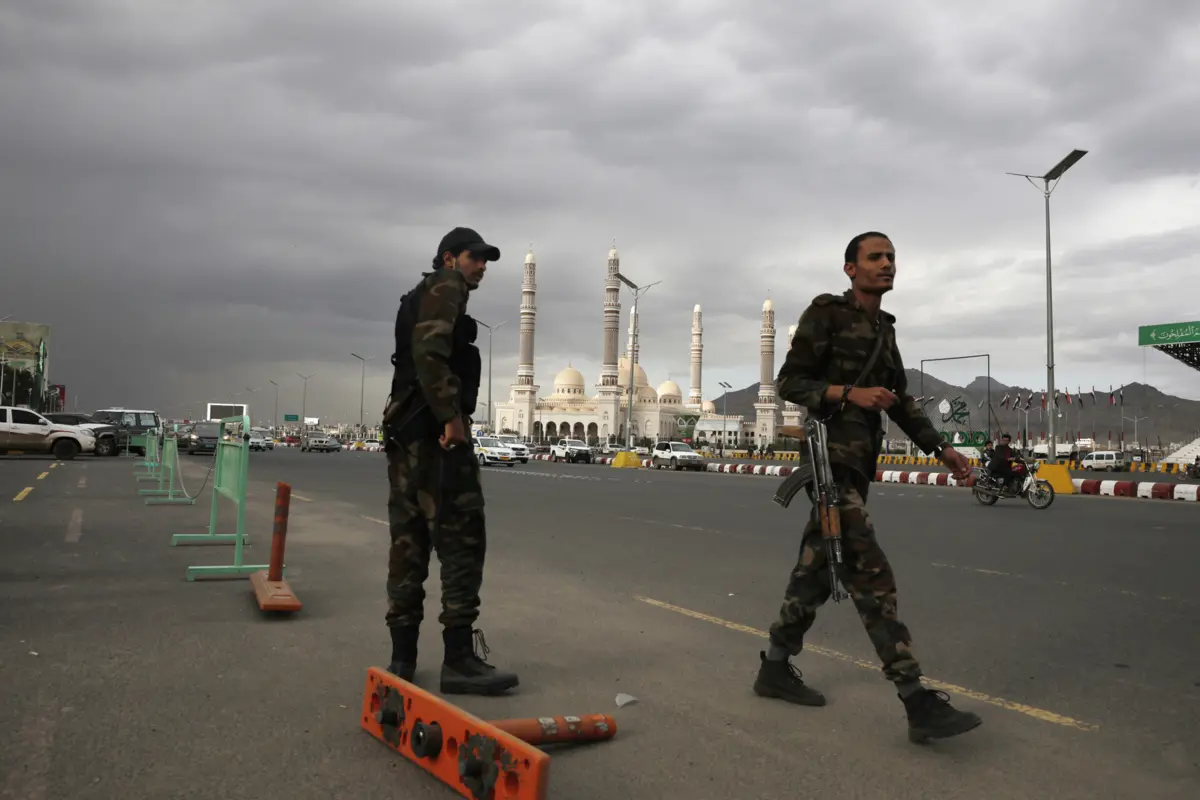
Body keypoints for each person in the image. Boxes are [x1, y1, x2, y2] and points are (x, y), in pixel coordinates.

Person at [754, 231, 983, 744]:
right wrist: (848, 393)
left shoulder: (885, 330)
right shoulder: (826, 314)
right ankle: (915, 699)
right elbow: (790, 382)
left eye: (892, 258)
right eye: (875, 257)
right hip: (827, 461)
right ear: (850, 268)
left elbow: (901, 400)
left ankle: (773, 667)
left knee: (813, 571)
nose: (887, 265)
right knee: (870, 571)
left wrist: (941, 450)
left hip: (858, 465)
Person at [380, 226, 519, 696]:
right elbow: (429, 354)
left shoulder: (416, 294)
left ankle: (402, 660)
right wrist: (451, 419)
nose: (481, 266)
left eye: (485, 260)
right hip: (435, 437)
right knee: (461, 540)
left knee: (409, 543)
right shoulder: (446, 285)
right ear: (448, 258)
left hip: (406, 436)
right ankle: (458, 661)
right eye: (474, 257)